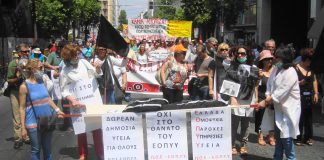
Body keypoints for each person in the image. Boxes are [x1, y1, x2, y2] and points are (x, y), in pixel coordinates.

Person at [59, 44, 103, 160]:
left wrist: (97, 68)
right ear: (68, 57)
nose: (78, 56)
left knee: (97, 127)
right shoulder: (64, 71)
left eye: (78, 53)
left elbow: (96, 74)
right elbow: (63, 90)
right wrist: (72, 99)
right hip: (77, 103)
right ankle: (83, 153)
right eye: (75, 55)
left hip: (93, 100)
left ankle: (100, 152)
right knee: (81, 129)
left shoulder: (84, 62)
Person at [19, 59, 64, 160]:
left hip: (46, 119)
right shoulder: (24, 86)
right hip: (33, 123)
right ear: (33, 69)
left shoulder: (41, 81)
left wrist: (57, 110)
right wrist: (22, 127)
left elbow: (47, 98)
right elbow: (21, 108)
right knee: (36, 150)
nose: (42, 70)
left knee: (48, 150)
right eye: (40, 68)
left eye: (43, 67)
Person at [265, 47, 301, 160]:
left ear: (285, 59)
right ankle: (277, 157)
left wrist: (266, 101)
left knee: (287, 139)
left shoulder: (291, 72)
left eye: (278, 58)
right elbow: (269, 85)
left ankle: (291, 158)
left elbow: (279, 93)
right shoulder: (276, 69)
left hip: (289, 110)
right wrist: (267, 95)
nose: (276, 60)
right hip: (278, 109)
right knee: (278, 137)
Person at [226, 46, 259, 155]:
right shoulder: (232, 67)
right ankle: (232, 145)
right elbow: (228, 84)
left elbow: (256, 86)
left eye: (243, 53)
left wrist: (257, 99)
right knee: (234, 124)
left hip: (249, 99)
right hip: (236, 98)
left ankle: (243, 144)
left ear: (247, 54)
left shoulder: (254, 67)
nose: (240, 55)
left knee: (246, 124)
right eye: (238, 53)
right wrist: (232, 98)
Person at [6, 43, 31, 149]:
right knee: (17, 116)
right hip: (16, 92)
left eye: (27, 51)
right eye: (24, 52)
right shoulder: (13, 64)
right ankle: (18, 138)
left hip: (27, 91)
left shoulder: (30, 62)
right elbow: (9, 80)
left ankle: (26, 136)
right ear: (19, 53)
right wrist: (17, 79)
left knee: (27, 113)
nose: (26, 53)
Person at [294, 48, 318, 146]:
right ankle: (298, 137)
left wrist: (316, 93)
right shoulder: (296, 68)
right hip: (298, 96)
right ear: (304, 59)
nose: (309, 63)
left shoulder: (311, 70)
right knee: (299, 117)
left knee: (308, 118)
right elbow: (291, 81)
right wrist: (299, 83)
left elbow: (314, 80)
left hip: (309, 96)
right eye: (308, 60)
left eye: (310, 61)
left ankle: (308, 137)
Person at [255, 50, 276, 146]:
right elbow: (256, 87)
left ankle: (271, 136)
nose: (269, 61)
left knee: (272, 117)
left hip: (272, 97)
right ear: (262, 61)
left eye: (270, 59)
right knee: (260, 117)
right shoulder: (259, 72)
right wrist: (256, 99)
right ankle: (260, 136)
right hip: (261, 96)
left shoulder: (276, 70)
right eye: (267, 59)